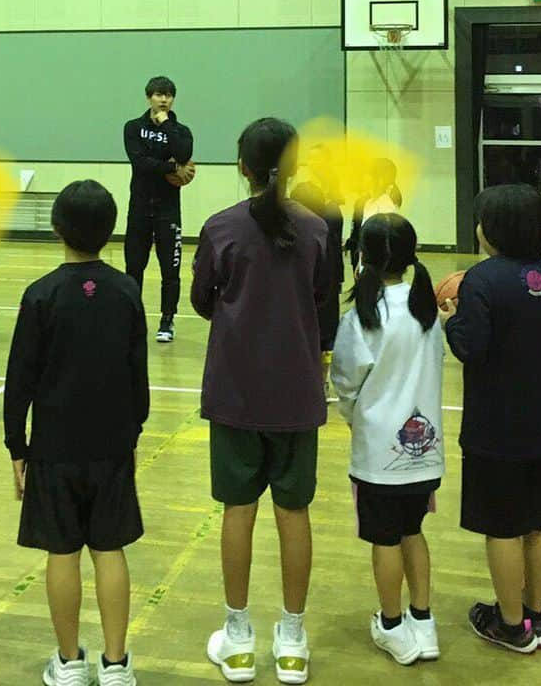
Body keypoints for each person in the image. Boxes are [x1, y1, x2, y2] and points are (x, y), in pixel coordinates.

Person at [192, 117, 329, 685]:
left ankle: (240, 638)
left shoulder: (220, 228)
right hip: (297, 394)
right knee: (293, 514)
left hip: (237, 394)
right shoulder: (319, 230)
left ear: (242, 166)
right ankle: (292, 640)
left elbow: (202, 302)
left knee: (238, 511)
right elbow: (326, 314)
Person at [4, 180, 148, 686]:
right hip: (110, 445)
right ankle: (114, 665)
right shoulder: (127, 290)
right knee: (110, 550)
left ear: (55, 227)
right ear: (111, 230)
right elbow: (138, 377)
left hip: (54, 448)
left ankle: (68, 664)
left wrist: (16, 447)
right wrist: (132, 434)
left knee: (61, 552)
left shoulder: (41, 294)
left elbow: (18, 379)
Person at [444, 184, 541, 654]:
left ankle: (510, 625)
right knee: (540, 525)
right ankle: (536, 613)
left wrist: (450, 320)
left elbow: (470, 347)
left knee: (502, 527)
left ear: (493, 230)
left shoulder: (482, 280)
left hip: (495, 427)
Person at [331, 213, 443, 666]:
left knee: (386, 540)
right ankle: (424, 620)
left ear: (363, 256)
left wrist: (354, 417)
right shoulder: (427, 311)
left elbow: (345, 380)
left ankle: (393, 625)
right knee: (413, 530)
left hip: (380, 454)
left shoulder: (363, 317)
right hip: (425, 451)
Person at [123, 76, 194, 344]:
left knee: (170, 270)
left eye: (168, 95)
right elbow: (140, 161)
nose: (163, 99)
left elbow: (184, 153)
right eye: (158, 94)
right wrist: (172, 168)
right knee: (134, 267)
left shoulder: (181, 131)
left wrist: (167, 125)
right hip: (140, 208)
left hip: (168, 211)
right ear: (149, 97)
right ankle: (132, 318)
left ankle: (167, 320)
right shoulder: (133, 127)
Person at [291, 145, 345, 396]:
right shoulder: (301, 189)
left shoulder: (333, 193)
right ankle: (303, 376)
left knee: (325, 331)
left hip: (328, 267)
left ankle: (321, 381)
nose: (312, 163)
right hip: (305, 269)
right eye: (309, 159)